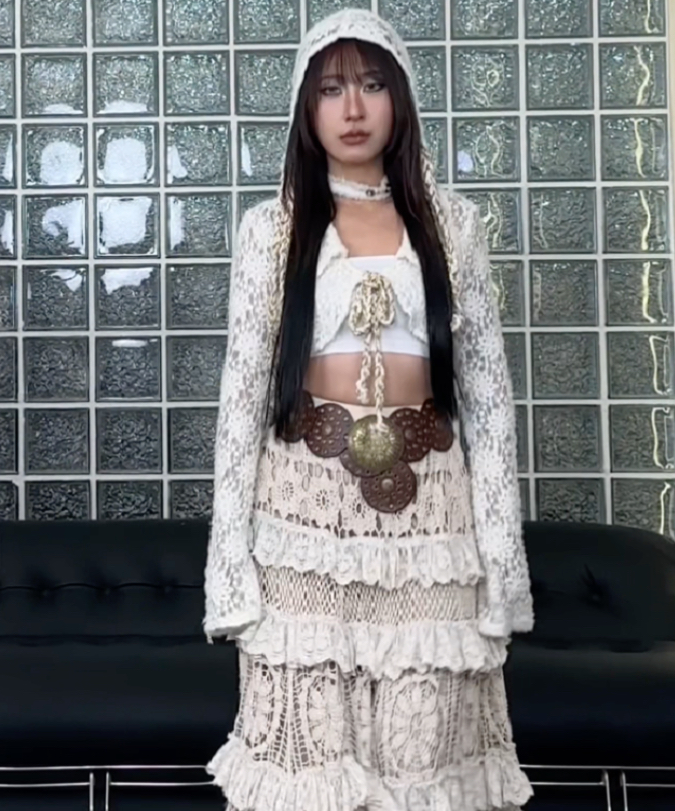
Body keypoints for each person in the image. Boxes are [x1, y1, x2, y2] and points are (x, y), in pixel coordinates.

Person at [203, 9, 534, 810]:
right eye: (330, 90)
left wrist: (501, 558)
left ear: (400, 98)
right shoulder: (272, 229)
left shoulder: (453, 223)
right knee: (310, 768)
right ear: (306, 108)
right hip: (304, 514)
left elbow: (489, 398)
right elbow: (241, 396)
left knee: (425, 755)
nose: (353, 109)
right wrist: (229, 558)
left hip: (431, 518)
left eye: (372, 85)